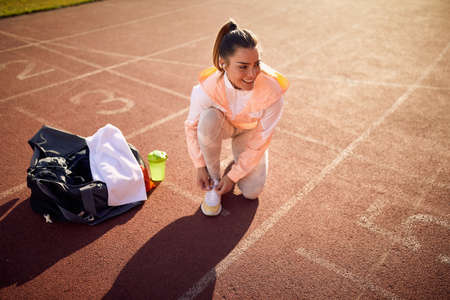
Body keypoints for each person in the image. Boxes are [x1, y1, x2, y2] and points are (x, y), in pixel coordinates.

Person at [184, 19, 289, 216]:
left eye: (256, 64)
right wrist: (200, 166)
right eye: (243, 66)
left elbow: (260, 141)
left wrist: (233, 177)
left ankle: (239, 161)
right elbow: (191, 126)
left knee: (251, 192)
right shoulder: (206, 89)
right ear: (223, 64)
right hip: (223, 125)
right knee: (207, 120)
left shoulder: (272, 92)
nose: (252, 73)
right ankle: (215, 182)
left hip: (249, 131)